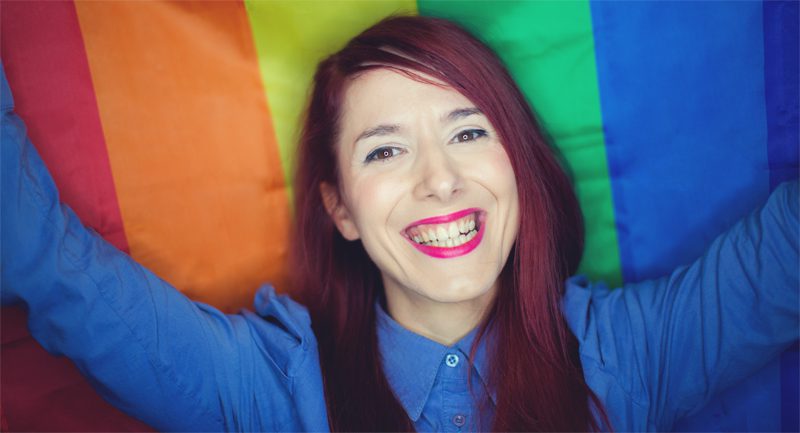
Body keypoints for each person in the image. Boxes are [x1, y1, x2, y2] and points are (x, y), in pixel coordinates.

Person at [2, 15, 797, 432]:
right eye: (386, 151)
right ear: (339, 208)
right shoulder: (273, 392)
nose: (440, 178)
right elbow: (51, 266)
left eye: (469, 131)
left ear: (517, 161)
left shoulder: (631, 355)